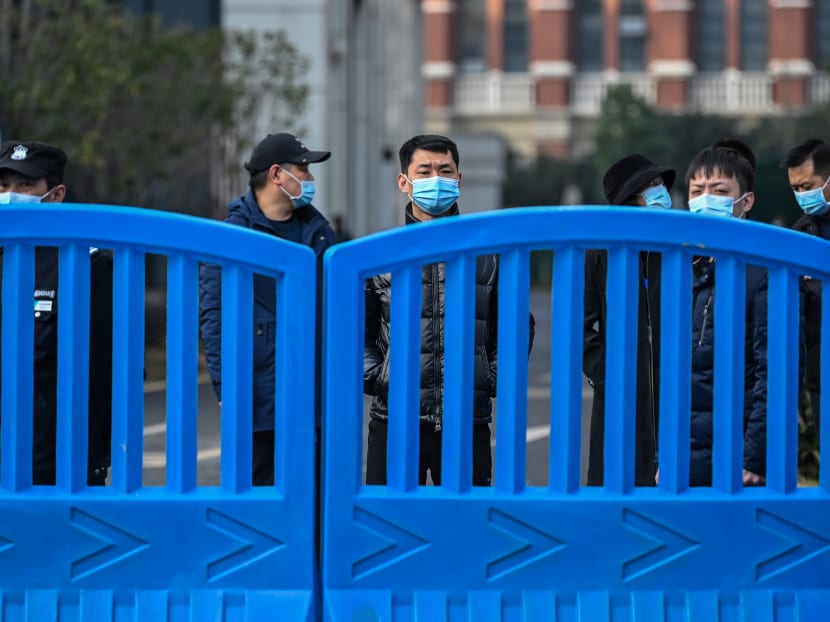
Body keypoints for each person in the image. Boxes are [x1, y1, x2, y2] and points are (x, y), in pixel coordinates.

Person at [363, 134, 534, 487]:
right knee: (393, 529)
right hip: (395, 419)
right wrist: (382, 378)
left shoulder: (488, 256)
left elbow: (516, 326)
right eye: (424, 171)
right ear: (404, 182)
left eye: (445, 171)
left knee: (466, 532)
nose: (435, 180)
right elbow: (356, 332)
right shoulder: (380, 256)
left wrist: (491, 378)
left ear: (459, 180)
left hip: (467, 421)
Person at [199, 132, 336, 486]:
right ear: (277, 175)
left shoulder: (319, 233)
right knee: (256, 495)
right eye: (303, 170)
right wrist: (225, 385)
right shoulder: (233, 236)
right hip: (258, 393)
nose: (310, 179)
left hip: (312, 390)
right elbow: (215, 317)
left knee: (312, 492)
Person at [0, 140, 113, 486]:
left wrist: (98, 456)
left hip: (57, 459)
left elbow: (108, 370)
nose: (10, 195)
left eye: (25, 185)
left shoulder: (87, 264)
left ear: (56, 194)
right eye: (3, 186)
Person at [673, 138, 768, 486]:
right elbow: (674, 375)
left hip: (738, 453)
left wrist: (756, 458)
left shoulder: (766, 273)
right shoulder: (686, 270)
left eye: (718, 190)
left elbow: (770, 375)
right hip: (686, 453)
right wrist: (663, 455)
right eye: (697, 191)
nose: (705, 200)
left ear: (746, 201)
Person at [584, 154, 675, 487]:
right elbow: (583, 324)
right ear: (628, 198)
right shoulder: (600, 251)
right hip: (620, 389)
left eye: (660, 183)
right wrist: (605, 374)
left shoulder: (676, 247)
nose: (661, 191)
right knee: (617, 475)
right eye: (650, 185)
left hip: (672, 383)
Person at [784, 138, 830, 442]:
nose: (803, 195)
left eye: (808, 185)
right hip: (820, 374)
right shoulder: (803, 232)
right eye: (796, 189)